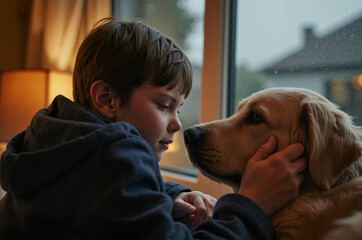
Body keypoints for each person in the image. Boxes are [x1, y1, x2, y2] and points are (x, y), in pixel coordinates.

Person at [0, 17, 307, 239]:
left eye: (178, 108)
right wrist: (250, 204)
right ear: (107, 99)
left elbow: (112, 200)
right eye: (163, 105)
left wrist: (168, 197)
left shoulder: (56, 147)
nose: (176, 123)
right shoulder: (114, 155)